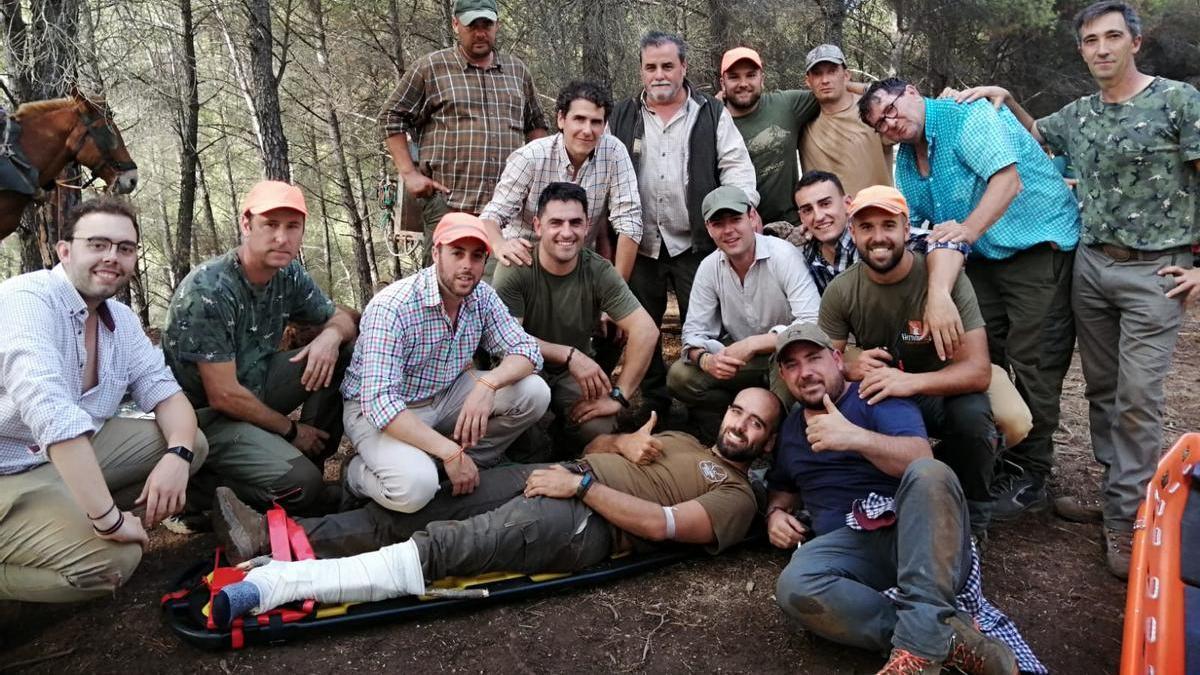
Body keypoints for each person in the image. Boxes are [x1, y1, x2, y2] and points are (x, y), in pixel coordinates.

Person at [951, 0, 1200, 578]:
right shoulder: (1081, 113)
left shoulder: (1178, 102)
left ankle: (1128, 522)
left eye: (1113, 37)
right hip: (1092, 266)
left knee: (1138, 400)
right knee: (1105, 392)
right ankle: (1118, 495)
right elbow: (1039, 138)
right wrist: (1003, 95)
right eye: (1091, 41)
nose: (1102, 49)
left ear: (1135, 43)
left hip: (1155, 273)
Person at [207, 386, 784, 627]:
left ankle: (274, 587)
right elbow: (595, 448)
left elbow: (662, 526)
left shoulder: (737, 497)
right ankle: (272, 537)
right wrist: (619, 443)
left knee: (452, 546)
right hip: (565, 476)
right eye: (739, 412)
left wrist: (580, 490)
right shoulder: (684, 440)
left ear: (769, 442)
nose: (741, 425)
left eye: (757, 424)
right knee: (422, 509)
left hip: (588, 521)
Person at [859, 75, 1080, 527]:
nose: (891, 122)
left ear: (914, 93)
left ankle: (1032, 474)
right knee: (986, 360)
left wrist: (967, 232)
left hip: (1034, 248)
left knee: (1034, 360)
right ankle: (994, 457)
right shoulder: (906, 161)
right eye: (879, 122)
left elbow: (1007, 181)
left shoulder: (967, 117)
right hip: (980, 260)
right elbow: (919, 226)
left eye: (892, 108)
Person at [766, 322, 1044, 675]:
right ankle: (944, 640)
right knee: (794, 585)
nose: (805, 372)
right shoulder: (791, 428)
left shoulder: (874, 395)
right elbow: (782, 487)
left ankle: (920, 646)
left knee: (931, 474)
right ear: (783, 375)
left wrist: (854, 437)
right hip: (849, 551)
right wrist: (775, 513)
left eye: (813, 358)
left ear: (838, 359)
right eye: (792, 365)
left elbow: (919, 458)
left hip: (915, 537)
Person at [0, 197, 207, 604]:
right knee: (114, 561)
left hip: (62, 460)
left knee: (190, 444)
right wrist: (109, 522)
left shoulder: (121, 321)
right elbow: (51, 412)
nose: (112, 257)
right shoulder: (25, 302)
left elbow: (166, 394)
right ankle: (71, 529)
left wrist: (177, 456)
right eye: (98, 244)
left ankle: (72, 511)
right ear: (64, 251)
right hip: (8, 470)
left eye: (125, 249)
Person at [793, 171, 1031, 447]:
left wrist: (938, 294)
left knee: (1009, 419)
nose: (818, 215)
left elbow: (948, 242)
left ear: (846, 205)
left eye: (825, 204)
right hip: (875, 359)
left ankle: (989, 458)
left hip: (941, 361)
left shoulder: (913, 244)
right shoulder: (807, 254)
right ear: (854, 231)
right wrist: (848, 363)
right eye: (807, 209)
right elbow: (825, 349)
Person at [163, 181, 358, 517]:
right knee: (304, 487)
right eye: (270, 224)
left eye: (292, 226)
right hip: (204, 418)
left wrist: (329, 337)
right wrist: (291, 430)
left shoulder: (288, 274)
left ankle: (305, 458)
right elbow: (222, 395)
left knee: (343, 349)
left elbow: (342, 318)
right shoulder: (208, 290)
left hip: (257, 383)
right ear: (246, 224)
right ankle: (197, 496)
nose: (282, 237)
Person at [818, 185, 1000, 537]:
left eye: (888, 225)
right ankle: (871, 501)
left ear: (906, 229)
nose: (878, 237)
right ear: (852, 233)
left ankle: (975, 515)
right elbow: (827, 361)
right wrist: (851, 363)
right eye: (866, 227)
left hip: (934, 387)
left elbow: (978, 371)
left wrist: (911, 382)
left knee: (973, 414)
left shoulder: (943, 282)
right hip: (884, 393)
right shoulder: (841, 290)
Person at [340, 213, 549, 514]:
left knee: (534, 393)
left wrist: (489, 384)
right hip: (381, 411)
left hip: (444, 394)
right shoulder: (393, 306)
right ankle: (357, 475)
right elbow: (380, 403)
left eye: (477, 256)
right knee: (415, 489)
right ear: (436, 253)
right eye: (457, 253)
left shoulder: (482, 297)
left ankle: (462, 462)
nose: (467, 265)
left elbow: (528, 350)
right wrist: (449, 451)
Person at [608, 31, 758, 420]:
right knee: (644, 328)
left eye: (667, 66)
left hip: (696, 244)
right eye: (651, 67)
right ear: (641, 71)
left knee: (703, 326)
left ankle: (702, 408)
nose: (659, 75)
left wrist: (740, 210)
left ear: (683, 68)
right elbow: (603, 171)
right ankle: (654, 407)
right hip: (639, 244)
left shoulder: (709, 112)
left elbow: (737, 168)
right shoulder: (622, 115)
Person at [379, 0, 549, 264]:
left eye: (486, 25)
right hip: (449, 205)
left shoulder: (518, 71)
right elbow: (391, 117)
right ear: (456, 25)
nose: (480, 32)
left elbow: (536, 124)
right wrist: (409, 173)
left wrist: (537, 180)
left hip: (507, 212)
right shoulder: (431, 68)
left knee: (504, 292)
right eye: (472, 25)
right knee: (444, 286)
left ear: (497, 26)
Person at [493, 183, 657, 455]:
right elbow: (508, 340)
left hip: (572, 374)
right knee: (526, 441)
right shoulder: (517, 268)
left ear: (586, 225)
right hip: (524, 367)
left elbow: (646, 331)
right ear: (537, 225)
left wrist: (620, 395)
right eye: (556, 222)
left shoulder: (597, 270)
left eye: (575, 223)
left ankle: (568, 445)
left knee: (598, 427)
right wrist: (569, 354)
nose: (566, 232)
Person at [668, 185, 820, 438]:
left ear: (752, 218)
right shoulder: (709, 268)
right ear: (708, 228)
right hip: (742, 360)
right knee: (680, 377)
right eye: (718, 223)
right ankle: (731, 425)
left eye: (736, 219)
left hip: (785, 352)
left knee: (786, 373)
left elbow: (812, 323)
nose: (728, 231)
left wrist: (754, 343)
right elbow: (693, 333)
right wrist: (707, 360)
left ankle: (776, 441)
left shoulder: (783, 255)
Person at [479, 81, 642, 281]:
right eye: (579, 119)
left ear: (605, 125)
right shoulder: (531, 157)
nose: (587, 130)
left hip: (571, 258)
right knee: (495, 302)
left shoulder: (614, 152)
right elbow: (492, 215)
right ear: (561, 119)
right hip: (521, 255)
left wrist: (618, 287)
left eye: (596, 122)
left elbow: (629, 220)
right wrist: (500, 244)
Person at [718, 47, 817, 226]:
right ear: (722, 83)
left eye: (751, 75)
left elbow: (831, 90)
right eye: (733, 77)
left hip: (791, 226)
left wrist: (869, 89)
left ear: (762, 79)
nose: (743, 83)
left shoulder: (786, 105)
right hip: (740, 229)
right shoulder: (712, 122)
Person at [799, 44, 894, 198]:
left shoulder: (873, 112)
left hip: (875, 215)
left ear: (846, 75)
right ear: (808, 81)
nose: (825, 80)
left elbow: (907, 106)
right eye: (817, 74)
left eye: (832, 71)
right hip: (828, 220)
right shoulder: (803, 121)